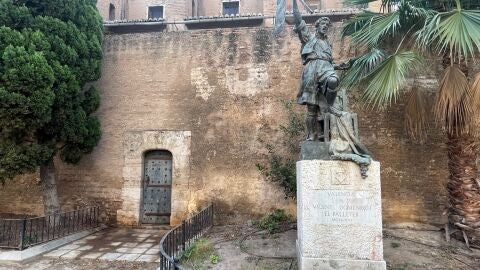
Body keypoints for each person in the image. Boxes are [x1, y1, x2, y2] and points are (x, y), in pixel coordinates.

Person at [292, 0, 349, 141]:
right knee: (311, 109)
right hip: (311, 73)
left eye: (327, 26)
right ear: (317, 27)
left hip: (326, 71)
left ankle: (329, 106)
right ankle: (311, 135)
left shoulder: (327, 44)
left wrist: (340, 66)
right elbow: (298, 20)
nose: (325, 27)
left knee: (333, 80)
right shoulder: (309, 38)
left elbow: (328, 63)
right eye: (322, 25)